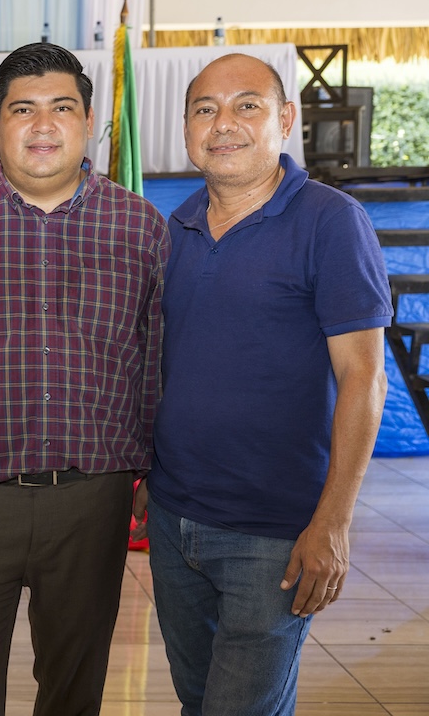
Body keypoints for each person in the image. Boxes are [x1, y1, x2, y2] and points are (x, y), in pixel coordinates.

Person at [0, 43, 169, 716]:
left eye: (62, 108)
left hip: (93, 502)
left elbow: (156, 358)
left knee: (74, 693)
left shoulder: (141, 227)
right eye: (23, 109)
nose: (43, 126)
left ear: (90, 124)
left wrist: (152, 471)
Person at [134, 53, 391, 716]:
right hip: (173, 520)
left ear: (284, 119)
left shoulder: (331, 221)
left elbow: (363, 376)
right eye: (204, 109)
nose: (224, 124)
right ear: (186, 129)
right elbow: (165, 363)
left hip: (274, 535)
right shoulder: (178, 227)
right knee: (199, 702)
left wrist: (333, 523)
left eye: (246, 105)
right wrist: (146, 473)